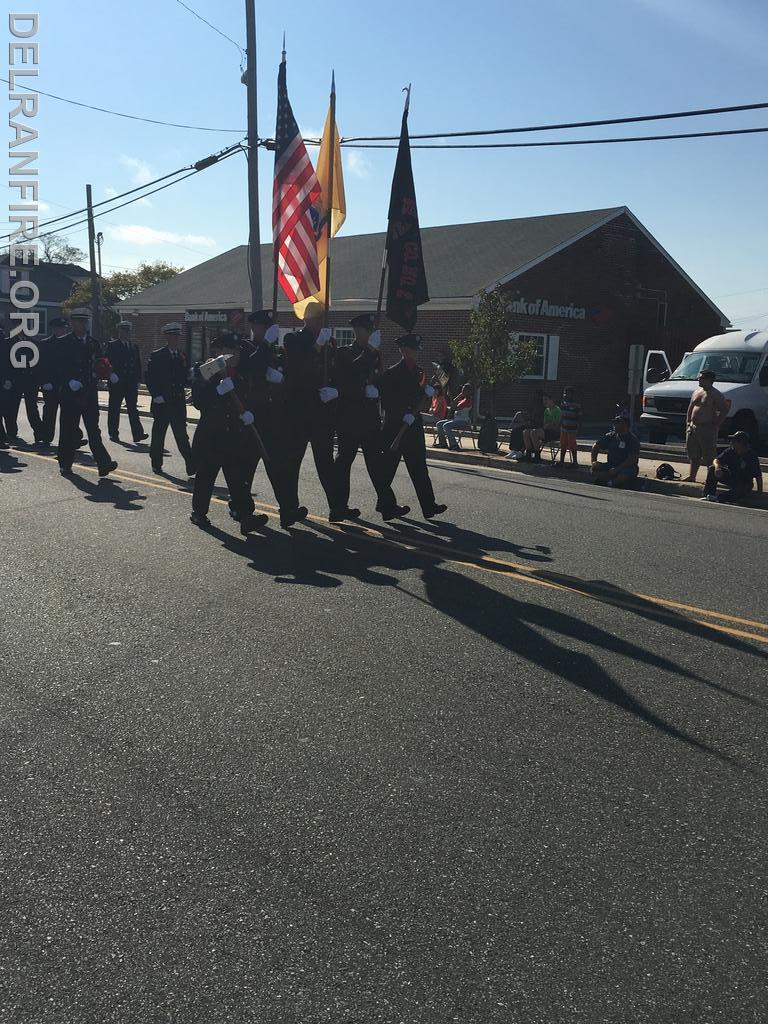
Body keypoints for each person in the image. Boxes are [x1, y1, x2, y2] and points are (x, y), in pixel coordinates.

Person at [189, 332, 269, 534]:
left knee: (237, 478)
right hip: (211, 436)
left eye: (237, 351)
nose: (235, 354)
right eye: (231, 350)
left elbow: (244, 397)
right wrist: (216, 391)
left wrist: (248, 413)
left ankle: (246, 516)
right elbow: (198, 400)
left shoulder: (238, 372)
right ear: (220, 352)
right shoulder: (208, 369)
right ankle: (199, 512)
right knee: (206, 477)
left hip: (232, 436)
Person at [279, 301, 338, 528]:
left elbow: (332, 372)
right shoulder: (294, 340)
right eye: (316, 319)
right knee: (292, 463)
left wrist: (334, 391)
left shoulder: (328, 344)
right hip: (298, 413)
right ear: (307, 320)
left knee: (326, 463)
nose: (320, 323)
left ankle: (336, 506)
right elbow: (297, 369)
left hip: (321, 413)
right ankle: (289, 509)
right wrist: (316, 348)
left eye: (322, 319)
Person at [377, 333, 446, 520]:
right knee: (388, 470)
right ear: (405, 350)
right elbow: (387, 400)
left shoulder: (419, 372)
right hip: (395, 428)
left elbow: (417, 398)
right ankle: (385, 507)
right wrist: (402, 415)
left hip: (413, 427)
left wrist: (428, 391)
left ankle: (429, 506)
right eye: (414, 350)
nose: (417, 353)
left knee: (419, 468)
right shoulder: (392, 373)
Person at [332, 313, 392, 522]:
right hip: (349, 417)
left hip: (368, 418)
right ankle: (338, 507)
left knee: (376, 462)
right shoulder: (344, 353)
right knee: (344, 462)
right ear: (356, 331)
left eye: (369, 330)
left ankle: (387, 505)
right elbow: (347, 376)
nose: (367, 334)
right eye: (365, 330)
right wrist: (370, 352)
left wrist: (378, 390)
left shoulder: (374, 354)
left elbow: (379, 378)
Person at [238, 309, 290, 520]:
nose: (267, 330)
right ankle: (242, 509)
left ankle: (287, 509)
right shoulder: (244, 347)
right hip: (251, 417)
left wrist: (281, 380)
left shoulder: (276, 351)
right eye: (263, 326)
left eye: (269, 327)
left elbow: (286, 376)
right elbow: (249, 365)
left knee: (277, 467)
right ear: (253, 327)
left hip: (271, 418)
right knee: (246, 468)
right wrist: (266, 346)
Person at [53, 308, 117, 478]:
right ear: (72, 323)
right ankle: (65, 464)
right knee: (68, 430)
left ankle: (104, 463)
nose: (83, 324)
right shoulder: (63, 342)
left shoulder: (93, 343)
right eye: (79, 321)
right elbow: (57, 366)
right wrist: (68, 380)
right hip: (71, 393)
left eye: (85, 321)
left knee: (93, 430)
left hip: (89, 392)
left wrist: (105, 372)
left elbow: (100, 362)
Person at [145, 323, 196, 477]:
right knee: (159, 435)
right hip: (162, 402)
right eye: (173, 336)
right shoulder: (157, 355)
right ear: (167, 337)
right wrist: (156, 395)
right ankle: (156, 463)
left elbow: (184, 377)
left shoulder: (181, 355)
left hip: (177, 402)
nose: (176, 339)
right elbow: (149, 377)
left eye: (177, 336)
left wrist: (191, 377)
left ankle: (191, 464)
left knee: (181, 435)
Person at [36, 316, 83, 449]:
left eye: (64, 328)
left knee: (69, 413)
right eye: (59, 328)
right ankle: (46, 437)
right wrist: (44, 382)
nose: (62, 331)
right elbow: (41, 365)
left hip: (65, 384)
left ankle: (75, 438)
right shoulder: (45, 344)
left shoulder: (71, 343)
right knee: (50, 412)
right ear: (54, 329)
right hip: (50, 384)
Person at [0, 324, 44, 444]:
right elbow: (5, 361)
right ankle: (11, 432)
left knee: (32, 408)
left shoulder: (35, 343)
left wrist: (39, 379)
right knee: (11, 408)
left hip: (31, 380)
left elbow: (39, 363)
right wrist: (7, 379)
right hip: (15, 380)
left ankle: (39, 433)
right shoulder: (8, 343)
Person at [105, 321, 148, 444]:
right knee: (114, 408)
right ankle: (113, 433)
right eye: (124, 331)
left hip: (130, 382)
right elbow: (106, 361)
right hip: (117, 381)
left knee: (133, 408)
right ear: (120, 331)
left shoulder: (133, 346)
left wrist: (138, 379)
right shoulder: (112, 345)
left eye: (128, 331)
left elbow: (137, 364)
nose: (126, 333)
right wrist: (111, 374)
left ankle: (138, 433)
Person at [684, 370, 729, 482]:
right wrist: (688, 423)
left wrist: (717, 423)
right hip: (693, 427)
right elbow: (690, 407)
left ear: (709, 380)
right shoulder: (696, 392)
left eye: (702, 378)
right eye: (699, 377)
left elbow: (725, 408)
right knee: (694, 454)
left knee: (709, 456)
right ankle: (692, 476)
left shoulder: (716, 394)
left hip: (707, 428)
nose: (699, 379)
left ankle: (710, 479)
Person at [701, 431, 763, 504]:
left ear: (741, 443)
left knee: (740, 490)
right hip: (731, 476)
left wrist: (759, 492)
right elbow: (716, 460)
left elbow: (758, 476)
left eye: (734, 441)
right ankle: (709, 494)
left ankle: (719, 498)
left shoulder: (751, 456)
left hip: (744, 482)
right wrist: (717, 467)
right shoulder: (730, 451)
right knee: (712, 469)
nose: (731, 442)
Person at [590, 415, 640, 487]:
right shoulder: (611, 436)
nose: (614, 425)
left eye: (617, 423)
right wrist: (593, 462)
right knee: (594, 469)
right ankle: (608, 479)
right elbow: (596, 446)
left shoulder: (632, 440)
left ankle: (609, 483)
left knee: (622, 476)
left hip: (627, 467)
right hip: (611, 465)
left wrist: (617, 469)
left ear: (624, 425)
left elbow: (632, 459)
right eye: (614, 423)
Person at [521, 394, 561, 463]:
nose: (544, 402)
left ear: (551, 400)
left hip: (555, 433)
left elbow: (556, 425)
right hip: (546, 431)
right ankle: (528, 454)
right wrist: (548, 425)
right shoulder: (546, 411)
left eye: (546, 400)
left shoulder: (557, 410)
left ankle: (537, 456)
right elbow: (545, 424)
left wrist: (549, 425)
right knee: (526, 432)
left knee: (534, 432)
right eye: (543, 400)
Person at [434, 383, 473, 451]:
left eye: (464, 390)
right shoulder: (462, 399)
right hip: (456, 420)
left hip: (463, 422)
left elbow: (455, 407)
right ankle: (443, 443)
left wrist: (450, 396)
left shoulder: (468, 401)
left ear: (469, 392)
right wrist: (460, 394)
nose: (462, 391)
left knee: (446, 425)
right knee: (439, 424)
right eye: (462, 389)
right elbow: (454, 402)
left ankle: (454, 445)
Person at [559, 386, 582, 466]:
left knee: (572, 445)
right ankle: (561, 461)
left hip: (572, 428)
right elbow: (561, 416)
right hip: (564, 428)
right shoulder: (563, 404)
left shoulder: (576, 405)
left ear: (572, 395)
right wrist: (560, 424)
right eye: (564, 393)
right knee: (563, 444)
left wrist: (579, 426)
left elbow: (579, 417)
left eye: (567, 393)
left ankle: (575, 462)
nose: (565, 395)